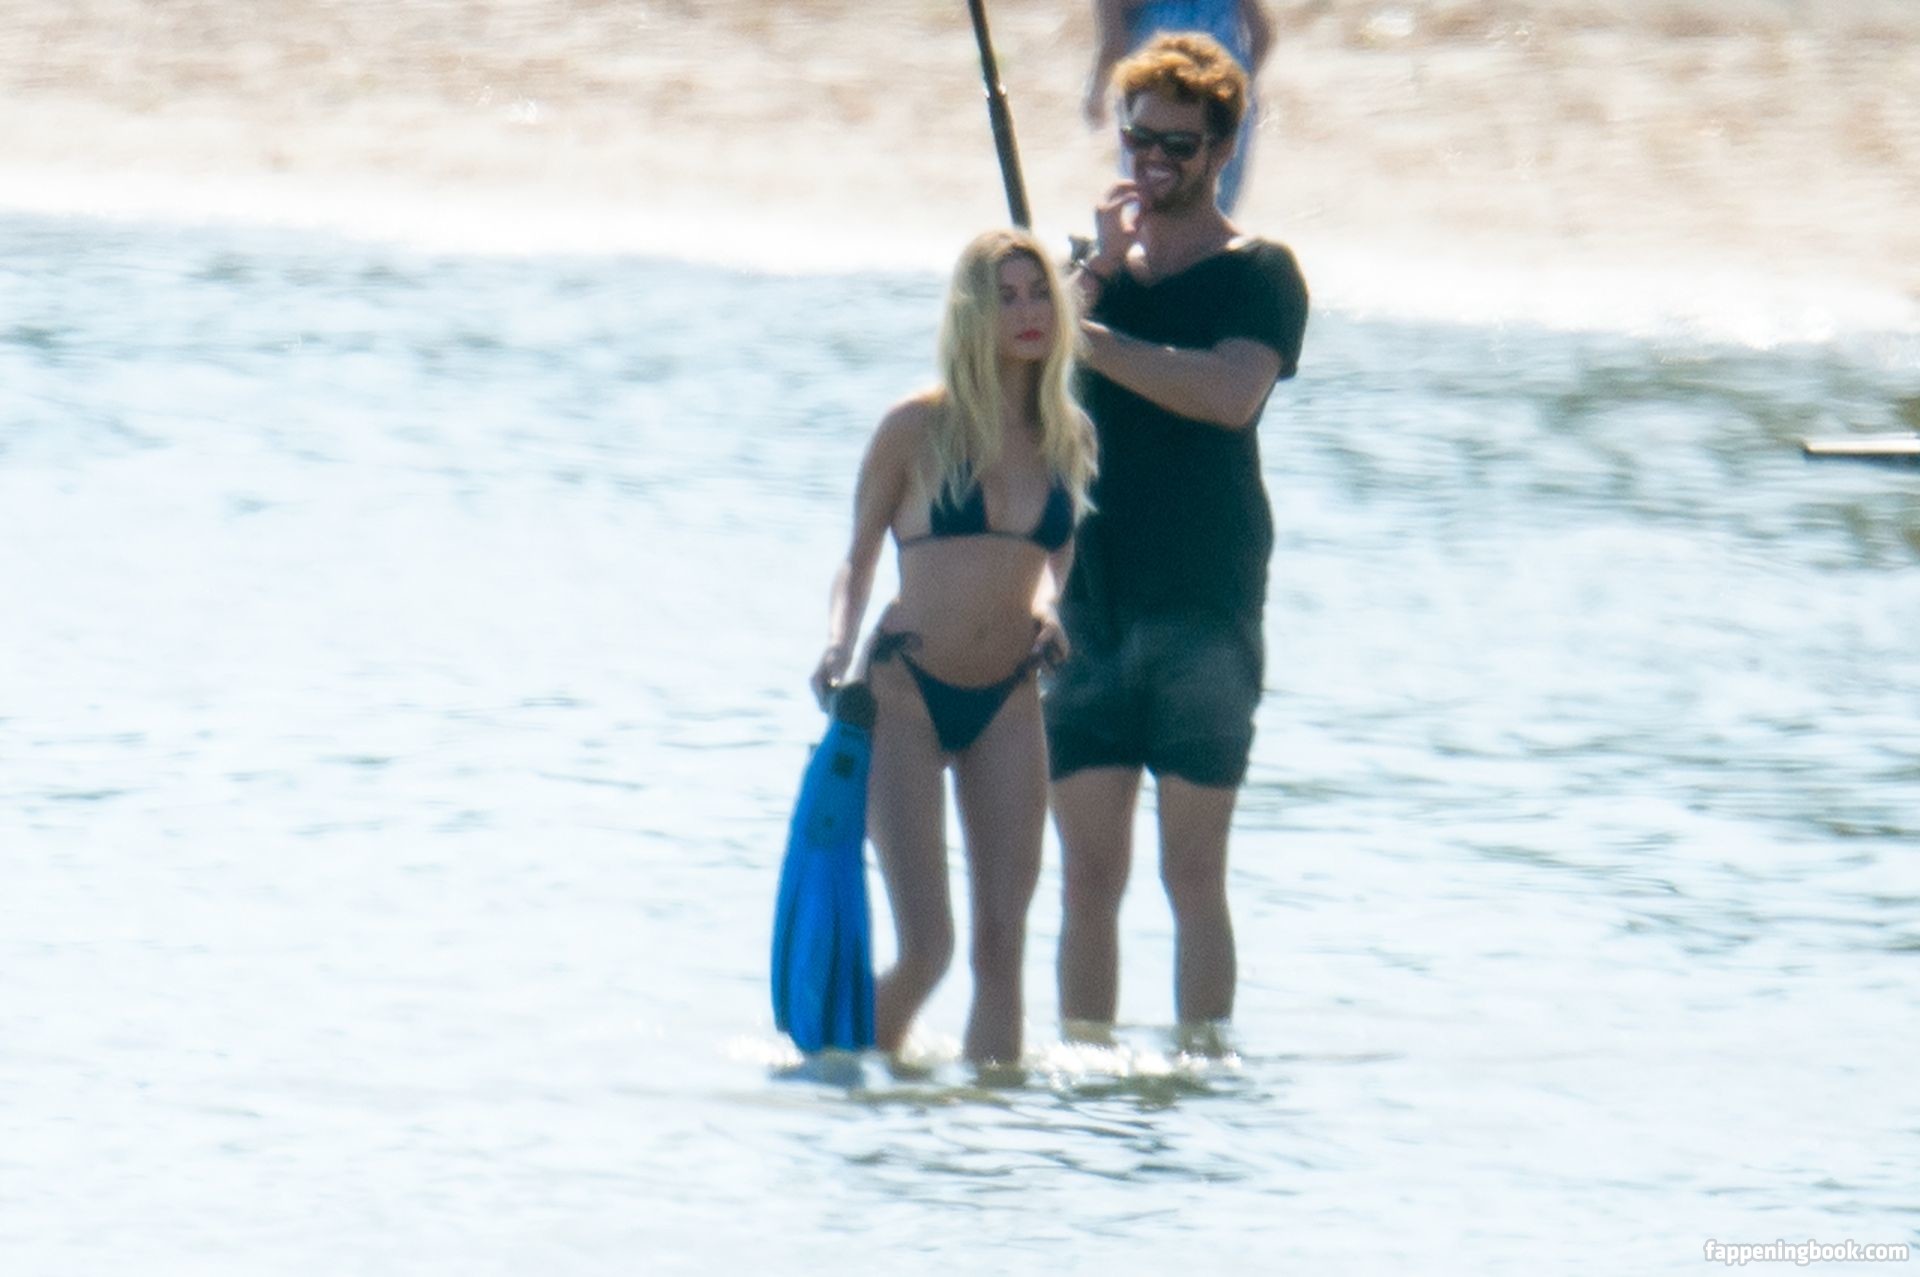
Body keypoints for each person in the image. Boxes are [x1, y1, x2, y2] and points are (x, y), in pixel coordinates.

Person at [1047, 33, 1308, 1045]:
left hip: (1205, 605)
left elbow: (1228, 392)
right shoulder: (1088, 280)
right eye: (1139, 140)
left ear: (1223, 149)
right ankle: (1083, 1065)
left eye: (1179, 146)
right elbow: (1017, 382)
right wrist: (1094, 279)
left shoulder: (1259, 274)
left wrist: (1095, 339)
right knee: (1087, 877)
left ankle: (1202, 1063)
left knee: (1192, 873)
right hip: (1090, 603)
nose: (1154, 163)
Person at [811, 228, 1098, 1067]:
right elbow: (858, 557)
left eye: (1039, 293)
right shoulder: (916, 426)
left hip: (1007, 696)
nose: (1028, 311)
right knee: (929, 947)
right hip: (905, 692)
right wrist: (836, 649)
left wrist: (1052, 612)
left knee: (1002, 944)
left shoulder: (1067, 433)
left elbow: (1057, 560)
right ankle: (839, 1074)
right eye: (1006, 297)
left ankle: (993, 1125)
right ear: (974, 313)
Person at [1083, 0, 1274, 213]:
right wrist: (1243, 86)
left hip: (1152, 103)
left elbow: (1113, 45)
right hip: (1225, 99)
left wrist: (1095, 94)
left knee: (1150, 207)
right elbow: (1261, 36)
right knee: (1216, 211)